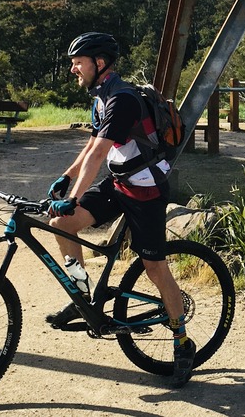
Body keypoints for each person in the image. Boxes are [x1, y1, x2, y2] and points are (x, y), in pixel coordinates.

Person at [44, 31, 195, 388]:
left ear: (99, 63)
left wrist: (75, 193)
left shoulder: (122, 100)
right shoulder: (102, 97)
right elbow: (91, 145)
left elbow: (98, 155)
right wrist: (64, 180)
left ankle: (183, 342)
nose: (72, 69)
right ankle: (82, 300)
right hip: (119, 183)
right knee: (62, 223)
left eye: (77, 62)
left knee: (154, 268)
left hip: (145, 191)